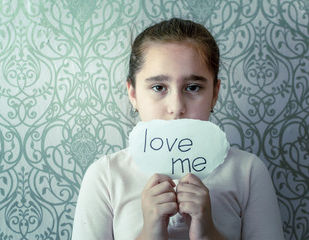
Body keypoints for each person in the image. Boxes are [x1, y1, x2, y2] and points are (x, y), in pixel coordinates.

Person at [72, 18, 284, 240]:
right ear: (133, 94)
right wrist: (149, 234)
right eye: (158, 87)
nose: (176, 107)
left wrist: (207, 234)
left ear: (214, 94)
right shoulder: (105, 176)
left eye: (193, 87)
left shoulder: (248, 172)